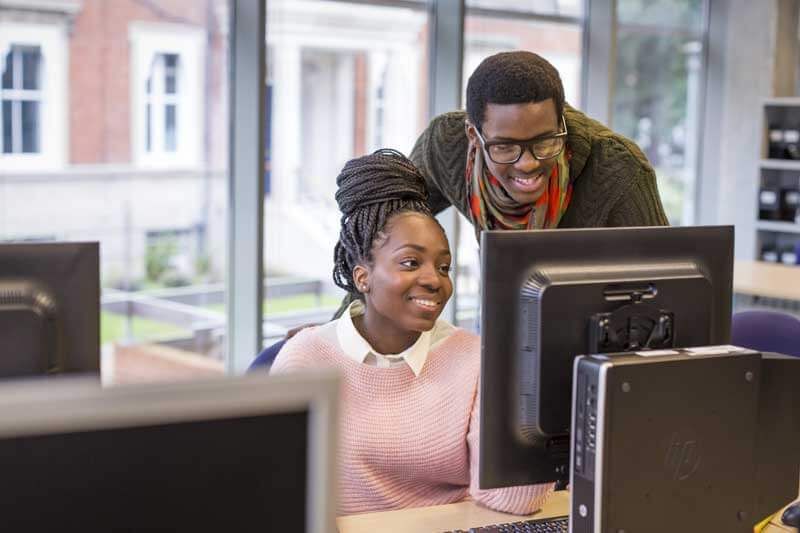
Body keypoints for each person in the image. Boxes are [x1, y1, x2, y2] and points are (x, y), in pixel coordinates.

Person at [269, 149, 552, 516]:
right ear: (362, 276)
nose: (434, 280)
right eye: (410, 263)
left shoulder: (475, 359)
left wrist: (525, 381)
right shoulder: (306, 359)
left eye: (444, 267)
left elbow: (513, 501)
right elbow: (277, 499)